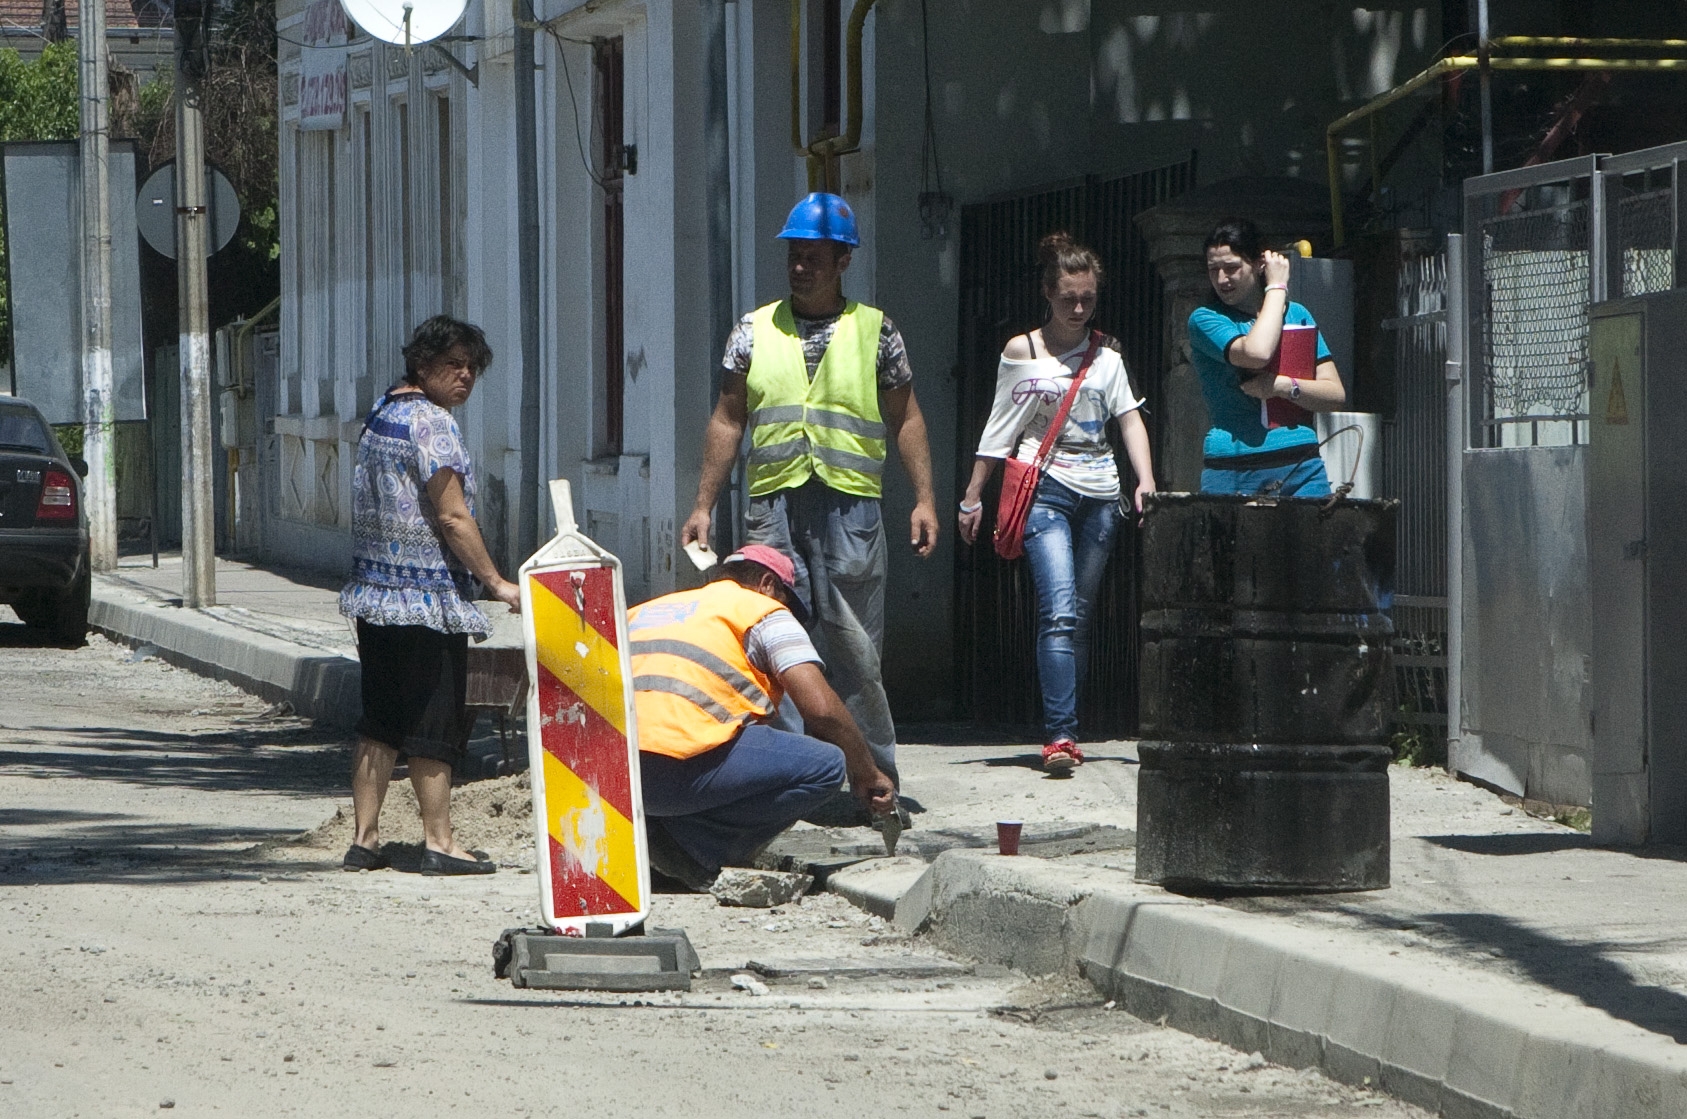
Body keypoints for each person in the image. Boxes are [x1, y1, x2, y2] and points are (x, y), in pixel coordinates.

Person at [679, 191, 937, 796]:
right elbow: (727, 418)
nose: (799, 266)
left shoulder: (878, 333)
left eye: (813, 255)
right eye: (794, 254)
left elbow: (907, 419)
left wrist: (923, 497)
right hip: (772, 509)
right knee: (774, 643)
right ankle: (794, 777)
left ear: (843, 260)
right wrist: (703, 505)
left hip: (850, 508)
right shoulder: (752, 330)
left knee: (854, 652)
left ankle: (872, 778)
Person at [957, 233, 1156, 772]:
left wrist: (1145, 479)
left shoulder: (1108, 356)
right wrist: (973, 496)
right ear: (1047, 293)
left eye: (1088, 298)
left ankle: (1067, 725)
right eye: (1068, 297)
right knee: (1060, 611)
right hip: (1044, 488)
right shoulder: (1021, 351)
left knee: (1080, 616)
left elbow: (1129, 418)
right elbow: (1000, 426)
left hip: (1100, 494)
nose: (1078, 307)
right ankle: (1061, 736)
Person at [337, 316, 522, 876]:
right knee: (434, 725)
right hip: (425, 600)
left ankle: (364, 840)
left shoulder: (380, 413)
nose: (464, 376)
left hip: (374, 596)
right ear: (422, 364)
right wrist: (495, 582)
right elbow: (452, 514)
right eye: (452, 365)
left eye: (472, 367)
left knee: (380, 721)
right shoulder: (433, 424)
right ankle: (439, 842)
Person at [632, 544, 896, 888]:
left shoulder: (643, 611)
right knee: (827, 765)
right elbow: (821, 710)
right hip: (678, 773)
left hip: (617, 780)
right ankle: (693, 848)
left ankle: (652, 834)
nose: (785, 609)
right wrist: (866, 772)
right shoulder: (762, 610)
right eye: (787, 600)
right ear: (768, 584)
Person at [1191, 217, 1347, 496]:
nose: (1222, 279)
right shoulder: (1206, 319)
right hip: (1233, 466)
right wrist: (1276, 287)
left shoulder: (1297, 315)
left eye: (1232, 268)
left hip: (1299, 462)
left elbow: (1334, 393)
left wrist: (1282, 387)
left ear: (1259, 263)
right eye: (1213, 270)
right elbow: (1256, 353)